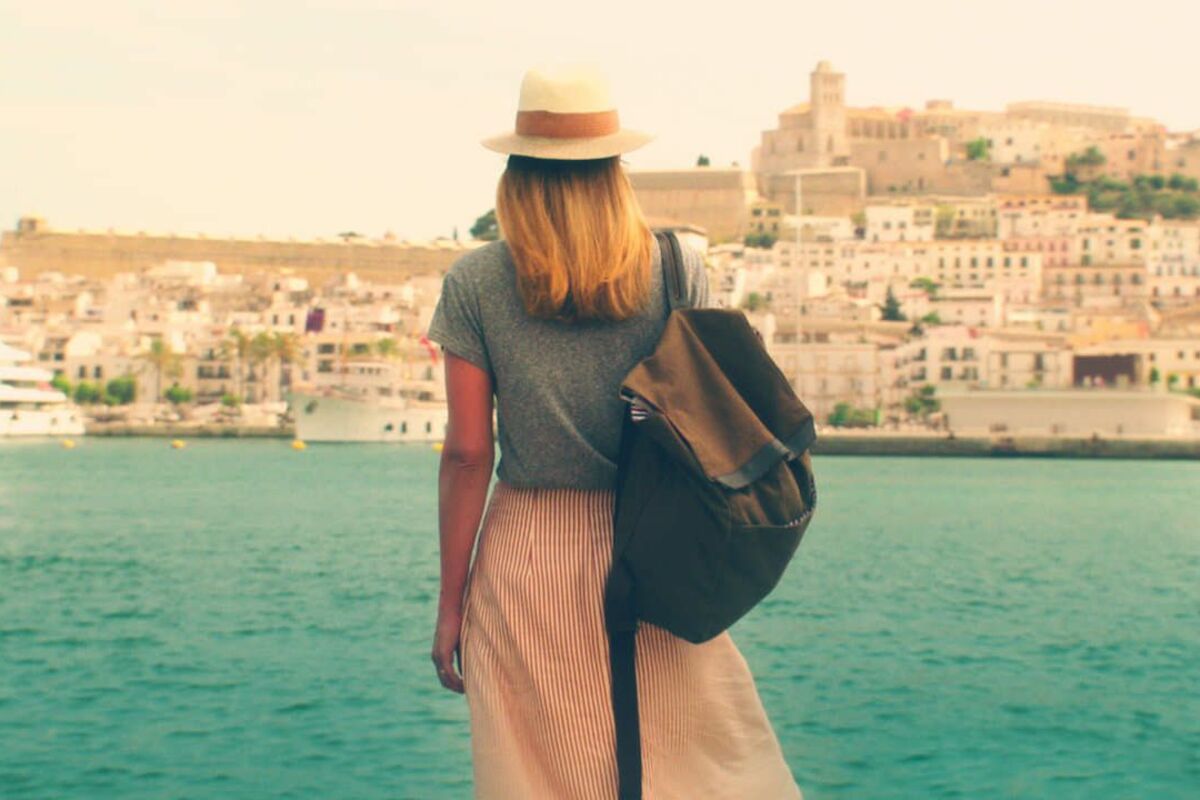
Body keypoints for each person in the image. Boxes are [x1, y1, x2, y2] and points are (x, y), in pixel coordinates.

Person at [427, 64, 802, 799]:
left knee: (537, 773)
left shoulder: (475, 283)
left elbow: (469, 453)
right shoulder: (676, 268)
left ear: (516, 174)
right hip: (660, 546)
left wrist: (450, 605)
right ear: (614, 171)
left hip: (528, 554)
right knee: (689, 766)